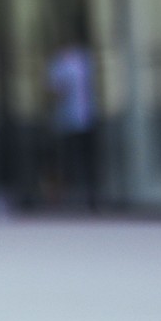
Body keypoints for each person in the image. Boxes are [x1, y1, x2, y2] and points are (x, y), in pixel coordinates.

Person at [46, 38, 95, 207]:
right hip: (68, 120)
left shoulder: (82, 59)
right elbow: (56, 91)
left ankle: (82, 193)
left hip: (82, 118)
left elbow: (56, 91)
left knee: (76, 158)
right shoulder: (62, 62)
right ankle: (66, 193)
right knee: (70, 159)